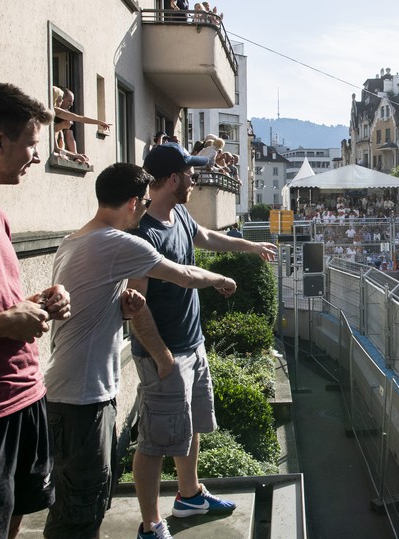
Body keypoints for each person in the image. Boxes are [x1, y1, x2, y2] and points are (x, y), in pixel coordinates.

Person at [43, 163, 237, 539]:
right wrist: (222, 279)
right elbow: (184, 274)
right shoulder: (116, 242)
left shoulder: (73, 240)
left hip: (67, 390)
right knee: (81, 509)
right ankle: (151, 526)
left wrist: (121, 305)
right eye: (144, 203)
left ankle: (187, 495)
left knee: (78, 502)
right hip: (82, 396)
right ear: (133, 202)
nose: (146, 210)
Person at [128, 143, 277, 539]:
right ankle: (151, 524)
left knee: (190, 423)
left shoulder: (177, 213)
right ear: (173, 179)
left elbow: (209, 237)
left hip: (191, 345)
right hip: (165, 354)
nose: (196, 179)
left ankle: (190, 495)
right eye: (191, 174)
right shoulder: (142, 234)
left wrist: (251, 247)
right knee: (154, 441)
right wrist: (161, 357)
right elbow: (135, 305)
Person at [0, 82, 71, 539]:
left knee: (16, 517)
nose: (37, 157)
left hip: (25, 396)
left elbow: (5, 302)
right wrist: (4, 323)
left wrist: (37, 301)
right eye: (31, 144)